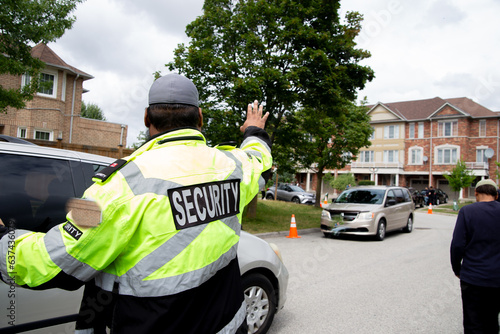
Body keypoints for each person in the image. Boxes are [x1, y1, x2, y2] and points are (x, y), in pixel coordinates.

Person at [0, 73, 273, 333]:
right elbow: (259, 161)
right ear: (200, 118)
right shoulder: (233, 168)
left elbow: (54, 261)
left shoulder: (116, 186)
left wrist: (3, 239)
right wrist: (253, 129)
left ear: (146, 118)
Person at [450, 178, 500, 333]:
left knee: (473, 322)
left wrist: (457, 269)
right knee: (492, 320)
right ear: (496, 195)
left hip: (473, 278)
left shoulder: (467, 211)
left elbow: (457, 245)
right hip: (497, 279)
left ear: (476, 193)